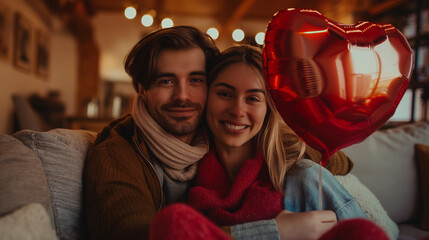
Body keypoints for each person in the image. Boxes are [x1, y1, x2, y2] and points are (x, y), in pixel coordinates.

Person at [84, 26, 356, 240]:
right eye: (166, 80)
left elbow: (336, 159)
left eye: (195, 80)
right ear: (142, 89)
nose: (183, 96)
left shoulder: (216, 130)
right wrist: (276, 232)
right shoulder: (118, 155)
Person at [149, 45, 388, 240]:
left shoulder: (303, 177)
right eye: (224, 94)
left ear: (268, 108)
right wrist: (276, 231)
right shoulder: (183, 173)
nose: (237, 110)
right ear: (206, 97)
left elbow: (366, 232)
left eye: (253, 98)